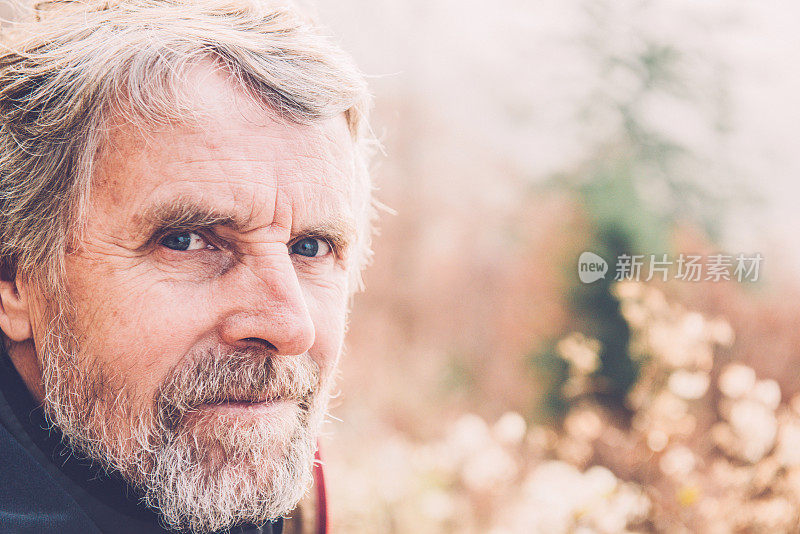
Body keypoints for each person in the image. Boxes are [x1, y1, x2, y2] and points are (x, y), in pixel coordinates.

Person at [0, 1, 374, 533]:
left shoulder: (271, 479)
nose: (290, 327)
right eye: (186, 240)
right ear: (15, 280)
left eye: (310, 248)